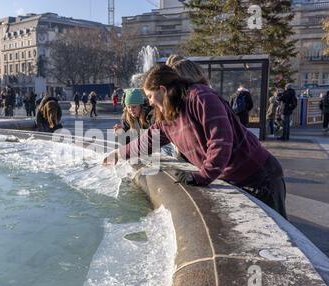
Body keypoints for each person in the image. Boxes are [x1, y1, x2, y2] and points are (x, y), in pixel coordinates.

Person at [103, 63, 288, 219]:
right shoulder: (168, 115)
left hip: (259, 178)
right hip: (233, 178)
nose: (149, 103)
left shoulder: (200, 97)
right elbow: (149, 139)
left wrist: (202, 176)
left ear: (162, 90)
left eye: (150, 96)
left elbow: (221, 141)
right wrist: (118, 154)